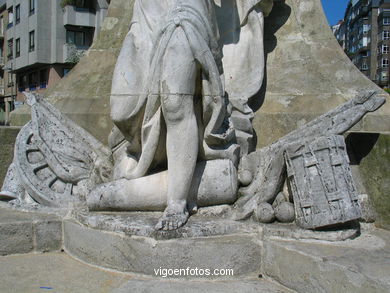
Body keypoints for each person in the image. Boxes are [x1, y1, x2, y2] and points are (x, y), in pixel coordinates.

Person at [108, 0, 274, 230]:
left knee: (175, 102)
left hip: (188, 9)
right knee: (122, 110)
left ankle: (177, 201)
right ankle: (154, 157)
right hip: (149, 10)